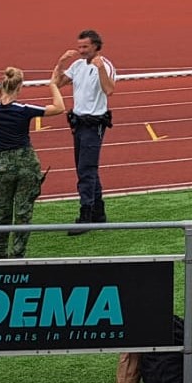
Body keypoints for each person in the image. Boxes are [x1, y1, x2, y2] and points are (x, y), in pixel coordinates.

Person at [0, 67, 68, 259]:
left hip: (3, 163)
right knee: (23, 210)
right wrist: (53, 85)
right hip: (27, 161)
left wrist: (2, 87)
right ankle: (18, 253)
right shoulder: (24, 110)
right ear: (20, 87)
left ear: (3, 84)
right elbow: (59, 108)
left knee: (2, 209)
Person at [54, 31, 116, 232]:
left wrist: (100, 70)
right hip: (78, 123)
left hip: (94, 124)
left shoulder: (105, 65)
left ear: (96, 46)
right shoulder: (78, 65)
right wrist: (61, 63)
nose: (81, 50)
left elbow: (109, 90)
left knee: (85, 170)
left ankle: (86, 215)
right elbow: (58, 82)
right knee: (87, 168)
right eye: (79, 47)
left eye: (85, 47)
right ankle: (98, 212)